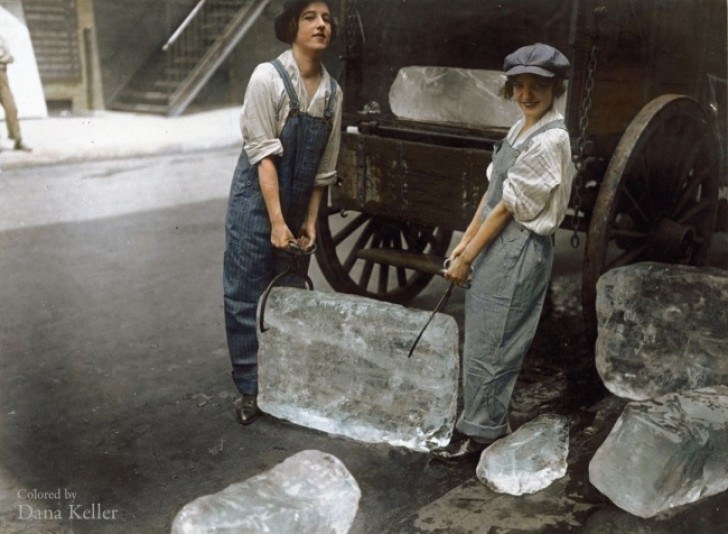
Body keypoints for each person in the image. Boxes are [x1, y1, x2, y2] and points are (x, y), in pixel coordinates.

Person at [431, 43, 573, 462]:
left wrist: (469, 257)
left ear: (556, 88)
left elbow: (510, 208)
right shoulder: (520, 129)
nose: (527, 95)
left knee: (498, 345)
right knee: (481, 340)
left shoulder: (551, 140)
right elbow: (492, 196)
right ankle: (480, 424)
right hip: (496, 242)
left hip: (521, 248)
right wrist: (464, 243)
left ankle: (482, 434)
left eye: (538, 87)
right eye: (520, 86)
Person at [223, 0, 342, 425]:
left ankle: (285, 385)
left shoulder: (332, 94)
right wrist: (276, 221)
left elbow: (323, 170)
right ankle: (251, 389)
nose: (321, 25)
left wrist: (309, 222)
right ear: (292, 26)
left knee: (288, 296)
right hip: (257, 202)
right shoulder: (267, 78)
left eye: (326, 18)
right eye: (310, 17)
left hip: (295, 206)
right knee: (244, 295)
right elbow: (264, 158)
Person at [0, 34, 30, 151]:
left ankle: (17, 140)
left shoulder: (1, 39)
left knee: (12, 109)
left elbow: (11, 58)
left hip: (2, 78)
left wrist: (3, 59)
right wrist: (3, 58)